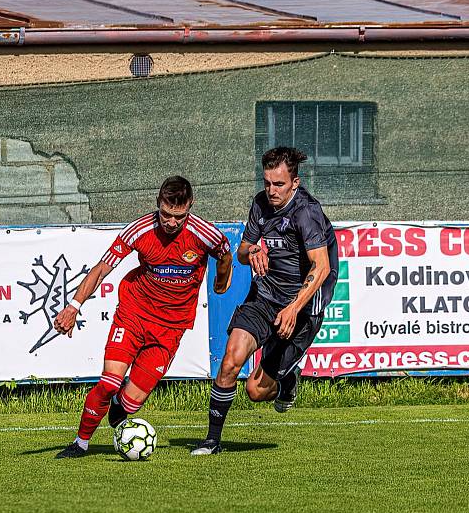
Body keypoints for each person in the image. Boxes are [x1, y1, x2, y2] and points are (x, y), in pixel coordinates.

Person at [53, 176, 233, 458]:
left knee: (131, 402)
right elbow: (102, 268)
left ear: (190, 207)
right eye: (165, 214)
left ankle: (120, 406)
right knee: (109, 382)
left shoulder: (205, 233)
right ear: (158, 204)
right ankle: (81, 443)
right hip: (134, 314)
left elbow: (224, 253)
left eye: (179, 216)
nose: (171, 222)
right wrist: (73, 306)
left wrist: (221, 280)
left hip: (171, 328)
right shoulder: (139, 230)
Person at [192, 147, 338, 456]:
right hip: (265, 296)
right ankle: (211, 441)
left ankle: (286, 380)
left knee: (256, 391)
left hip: (302, 306)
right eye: (267, 182)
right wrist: (253, 252)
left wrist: (293, 309)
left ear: (295, 183)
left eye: (279, 184)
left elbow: (321, 267)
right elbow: (243, 252)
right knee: (231, 359)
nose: (271, 190)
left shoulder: (306, 212)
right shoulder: (260, 204)